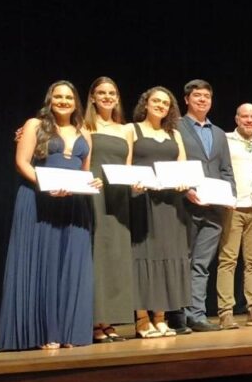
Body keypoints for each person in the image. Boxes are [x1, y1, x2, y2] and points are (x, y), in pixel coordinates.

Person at [0, 81, 98, 351]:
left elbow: (84, 171)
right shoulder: (34, 125)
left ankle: (68, 331)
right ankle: (42, 332)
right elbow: (22, 163)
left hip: (74, 206)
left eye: (68, 97)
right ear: (50, 100)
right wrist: (46, 186)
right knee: (44, 263)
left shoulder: (84, 131)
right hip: (39, 201)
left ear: (76, 102)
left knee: (70, 266)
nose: (64, 101)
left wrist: (92, 183)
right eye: (58, 97)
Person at [129, 87, 193, 338]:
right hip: (142, 200)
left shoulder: (174, 133)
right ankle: (142, 318)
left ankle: (161, 316)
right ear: (146, 103)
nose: (160, 106)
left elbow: (184, 167)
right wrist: (133, 181)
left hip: (169, 203)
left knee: (168, 255)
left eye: (165, 103)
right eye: (156, 101)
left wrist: (183, 182)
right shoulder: (130, 130)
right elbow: (126, 165)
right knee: (144, 255)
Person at [174, 79, 234, 333]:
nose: (202, 100)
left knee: (201, 264)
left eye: (206, 97)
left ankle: (196, 314)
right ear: (186, 99)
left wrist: (230, 197)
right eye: (196, 96)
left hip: (214, 208)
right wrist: (186, 190)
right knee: (181, 261)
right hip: (185, 204)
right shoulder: (175, 126)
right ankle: (177, 315)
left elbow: (226, 170)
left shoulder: (219, 133)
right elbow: (171, 164)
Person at [84, 76, 135, 342]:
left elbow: (127, 166)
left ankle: (110, 320)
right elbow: (85, 164)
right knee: (98, 257)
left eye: (111, 93)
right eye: (101, 93)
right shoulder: (85, 126)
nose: (107, 97)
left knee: (116, 258)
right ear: (92, 97)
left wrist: (136, 183)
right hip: (96, 194)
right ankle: (95, 321)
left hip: (119, 197)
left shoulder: (126, 129)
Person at [215, 103, 252, 329]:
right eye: (245, 116)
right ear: (236, 118)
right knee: (228, 260)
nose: (249, 120)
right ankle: (225, 312)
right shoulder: (226, 140)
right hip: (233, 207)